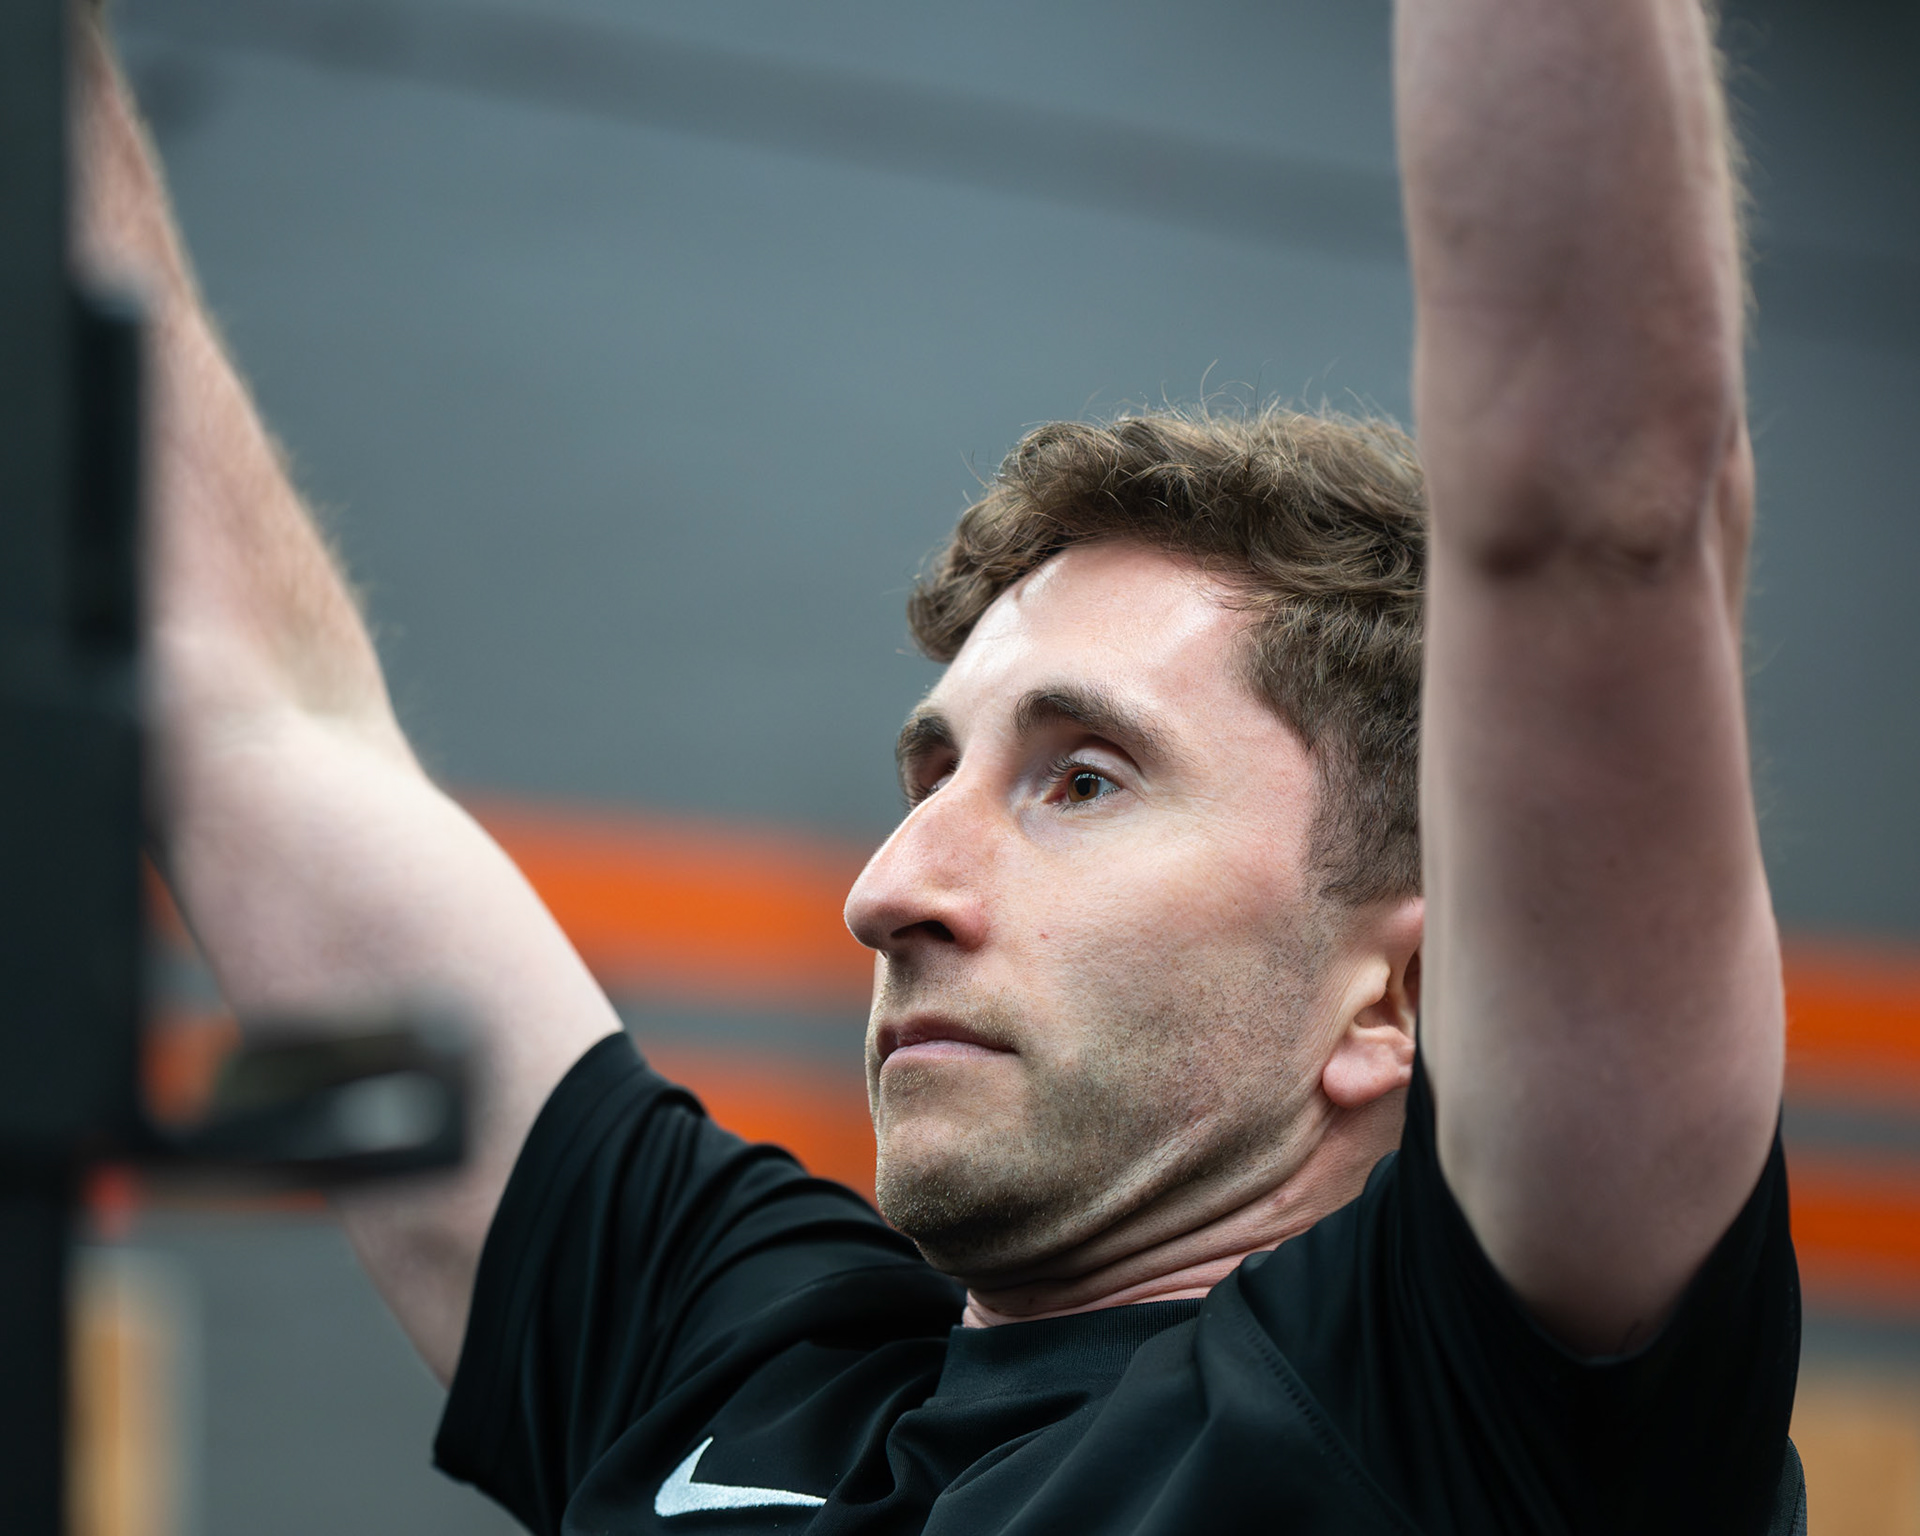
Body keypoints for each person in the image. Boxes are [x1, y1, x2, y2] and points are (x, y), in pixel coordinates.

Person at [76, 0, 1802, 1531]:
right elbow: (243, 705)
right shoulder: (725, 1357)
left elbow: (1598, 507)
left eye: (1082, 781)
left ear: (1397, 999)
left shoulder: (1480, 1403)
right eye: (931, 779)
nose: (887, 891)